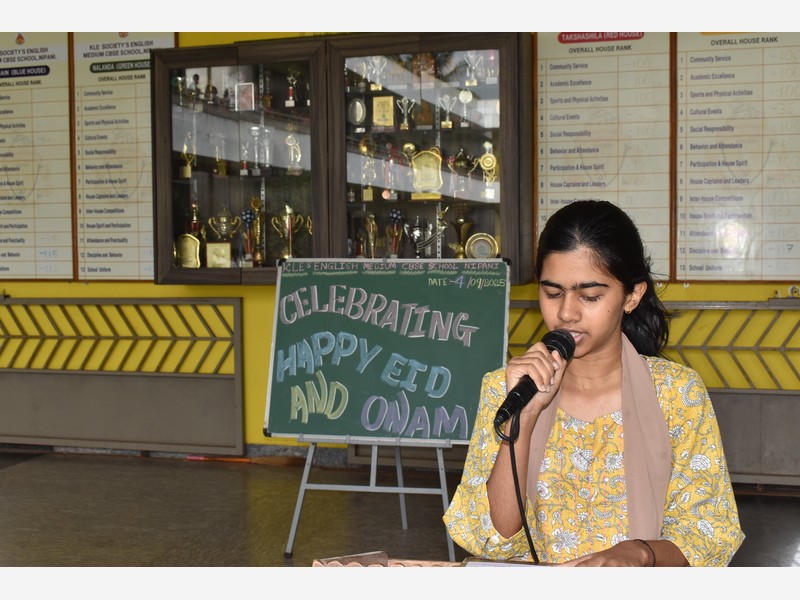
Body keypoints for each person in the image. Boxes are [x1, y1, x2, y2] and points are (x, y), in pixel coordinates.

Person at [443, 200, 744, 567]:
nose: (567, 313)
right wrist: (523, 417)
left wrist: (640, 553)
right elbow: (494, 538)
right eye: (552, 293)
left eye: (590, 296)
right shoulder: (506, 388)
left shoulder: (677, 393)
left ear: (632, 296)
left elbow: (708, 533)